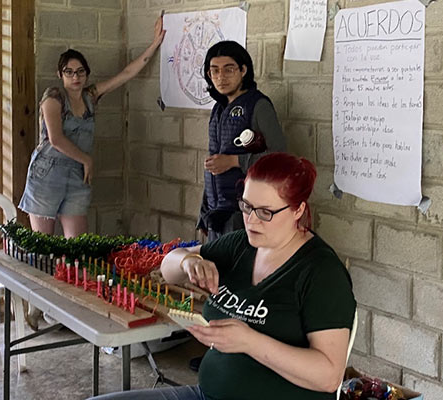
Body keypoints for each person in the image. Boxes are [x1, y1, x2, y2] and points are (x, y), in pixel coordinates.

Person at [89, 153, 357, 400]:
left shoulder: (321, 272)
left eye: (266, 212)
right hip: (209, 394)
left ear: (298, 210)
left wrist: (251, 342)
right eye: (246, 206)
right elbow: (168, 267)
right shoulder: (241, 245)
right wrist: (188, 261)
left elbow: (329, 376)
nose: (251, 220)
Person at [20, 16, 165, 329]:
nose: (75, 77)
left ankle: (64, 307)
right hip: (48, 173)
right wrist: (87, 159)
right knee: (43, 247)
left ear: (86, 75)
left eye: (80, 71)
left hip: (76, 178)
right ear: (61, 74)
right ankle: (35, 305)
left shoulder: (91, 96)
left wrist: (154, 44)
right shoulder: (53, 98)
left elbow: (126, 74)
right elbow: (56, 139)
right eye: (69, 72)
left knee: (77, 246)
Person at [197, 40, 286, 242]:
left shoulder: (258, 105)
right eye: (215, 71)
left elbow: (280, 157)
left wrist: (234, 161)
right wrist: (204, 212)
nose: (221, 77)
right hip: (216, 213)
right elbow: (214, 165)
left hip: (245, 213)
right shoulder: (218, 109)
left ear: (243, 70)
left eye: (229, 70)